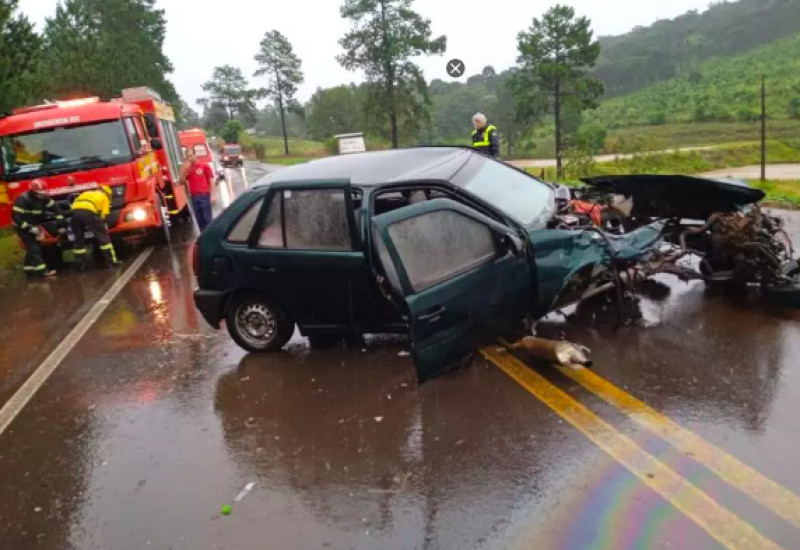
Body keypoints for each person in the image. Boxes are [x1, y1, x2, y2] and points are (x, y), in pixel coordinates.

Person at [11, 179, 65, 278]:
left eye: (43, 193)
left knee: (33, 247)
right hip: (22, 225)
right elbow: (16, 217)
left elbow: (55, 207)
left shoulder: (44, 197)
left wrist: (61, 223)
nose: (42, 195)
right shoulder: (23, 199)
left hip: (34, 224)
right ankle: (42, 272)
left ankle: (29, 270)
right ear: (32, 191)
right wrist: (29, 228)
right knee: (33, 247)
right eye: (40, 193)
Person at [70, 185, 121, 269]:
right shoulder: (104, 197)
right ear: (107, 193)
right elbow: (104, 215)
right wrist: (102, 226)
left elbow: (75, 204)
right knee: (103, 238)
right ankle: (112, 262)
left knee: (79, 239)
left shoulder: (86, 193)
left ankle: (81, 265)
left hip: (74, 213)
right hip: (89, 212)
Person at [182, 149, 217, 231]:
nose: (190, 158)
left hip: (204, 196)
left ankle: (211, 235)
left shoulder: (204, 166)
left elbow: (211, 181)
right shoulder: (188, 169)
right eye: (188, 157)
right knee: (199, 220)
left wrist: (213, 195)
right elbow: (182, 181)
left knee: (207, 219)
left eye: (191, 156)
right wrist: (183, 170)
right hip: (194, 197)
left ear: (195, 155)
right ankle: (203, 236)